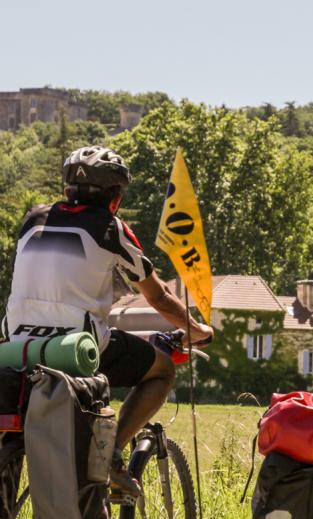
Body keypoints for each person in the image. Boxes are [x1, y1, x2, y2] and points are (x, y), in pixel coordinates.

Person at [4, 146, 213, 497]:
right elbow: (158, 296)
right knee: (161, 371)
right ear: (114, 198)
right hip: (73, 347)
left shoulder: (32, 219)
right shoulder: (110, 229)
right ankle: (109, 456)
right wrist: (198, 329)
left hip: (16, 344)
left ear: (66, 190)